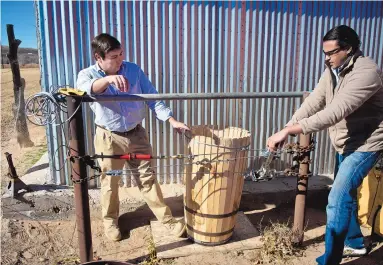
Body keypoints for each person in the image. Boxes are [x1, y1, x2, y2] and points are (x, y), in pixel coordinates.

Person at [267, 25, 383, 265]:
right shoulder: (333, 69)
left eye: (331, 53)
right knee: (344, 193)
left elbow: (334, 112)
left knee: (338, 199)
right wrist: (288, 127)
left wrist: (290, 130)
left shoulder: (367, 72)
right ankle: (355, 243)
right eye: (324, 53)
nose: (327, 58)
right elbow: (314, 102)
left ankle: (329, 261)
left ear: (349, 49)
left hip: (366, 143)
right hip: (344, 141)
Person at [76, 33, 190, 241]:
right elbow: (84, 91)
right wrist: (107, 79)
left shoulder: (134, 70)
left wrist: (171, 120)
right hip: (109, 139)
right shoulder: (88, 74)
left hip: (137, 136)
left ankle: (167, 221)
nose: (120, 60)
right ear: (98, 57)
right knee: (110, 181)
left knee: (147, 179)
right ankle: (110, 221)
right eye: (114, 57)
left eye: (121, 54)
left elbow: (153, 97)